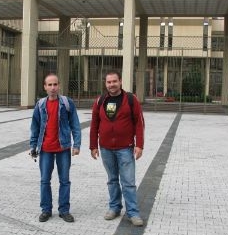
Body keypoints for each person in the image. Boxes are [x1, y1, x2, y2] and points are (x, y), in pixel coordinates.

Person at [89, 71, 145, 227]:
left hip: (125, 148)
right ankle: (114, 207)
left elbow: (139, 123)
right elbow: (94, 124)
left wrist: (139, 144)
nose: (111, 84)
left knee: (128, 182)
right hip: (106, 148)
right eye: (108, 82)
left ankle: (133, 212)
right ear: (105, 84)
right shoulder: (100, 100)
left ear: (120, 81)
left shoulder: (131, 100)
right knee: (112, 180)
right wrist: (93, 145)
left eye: (114, 81)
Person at [30, 73, 81, 223]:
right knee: (45, 180)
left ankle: (64, 210)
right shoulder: (40, 105)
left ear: (59, 86)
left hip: (63, 148)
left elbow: (75, 125)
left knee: (64, 180)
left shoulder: (67, 103)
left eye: (55, 84)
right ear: (45, 87)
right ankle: (46, 210)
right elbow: (35, 127)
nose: (53, 88)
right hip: (45, 149)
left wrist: (76, 145)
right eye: (49, 85)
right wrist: (33, 146)